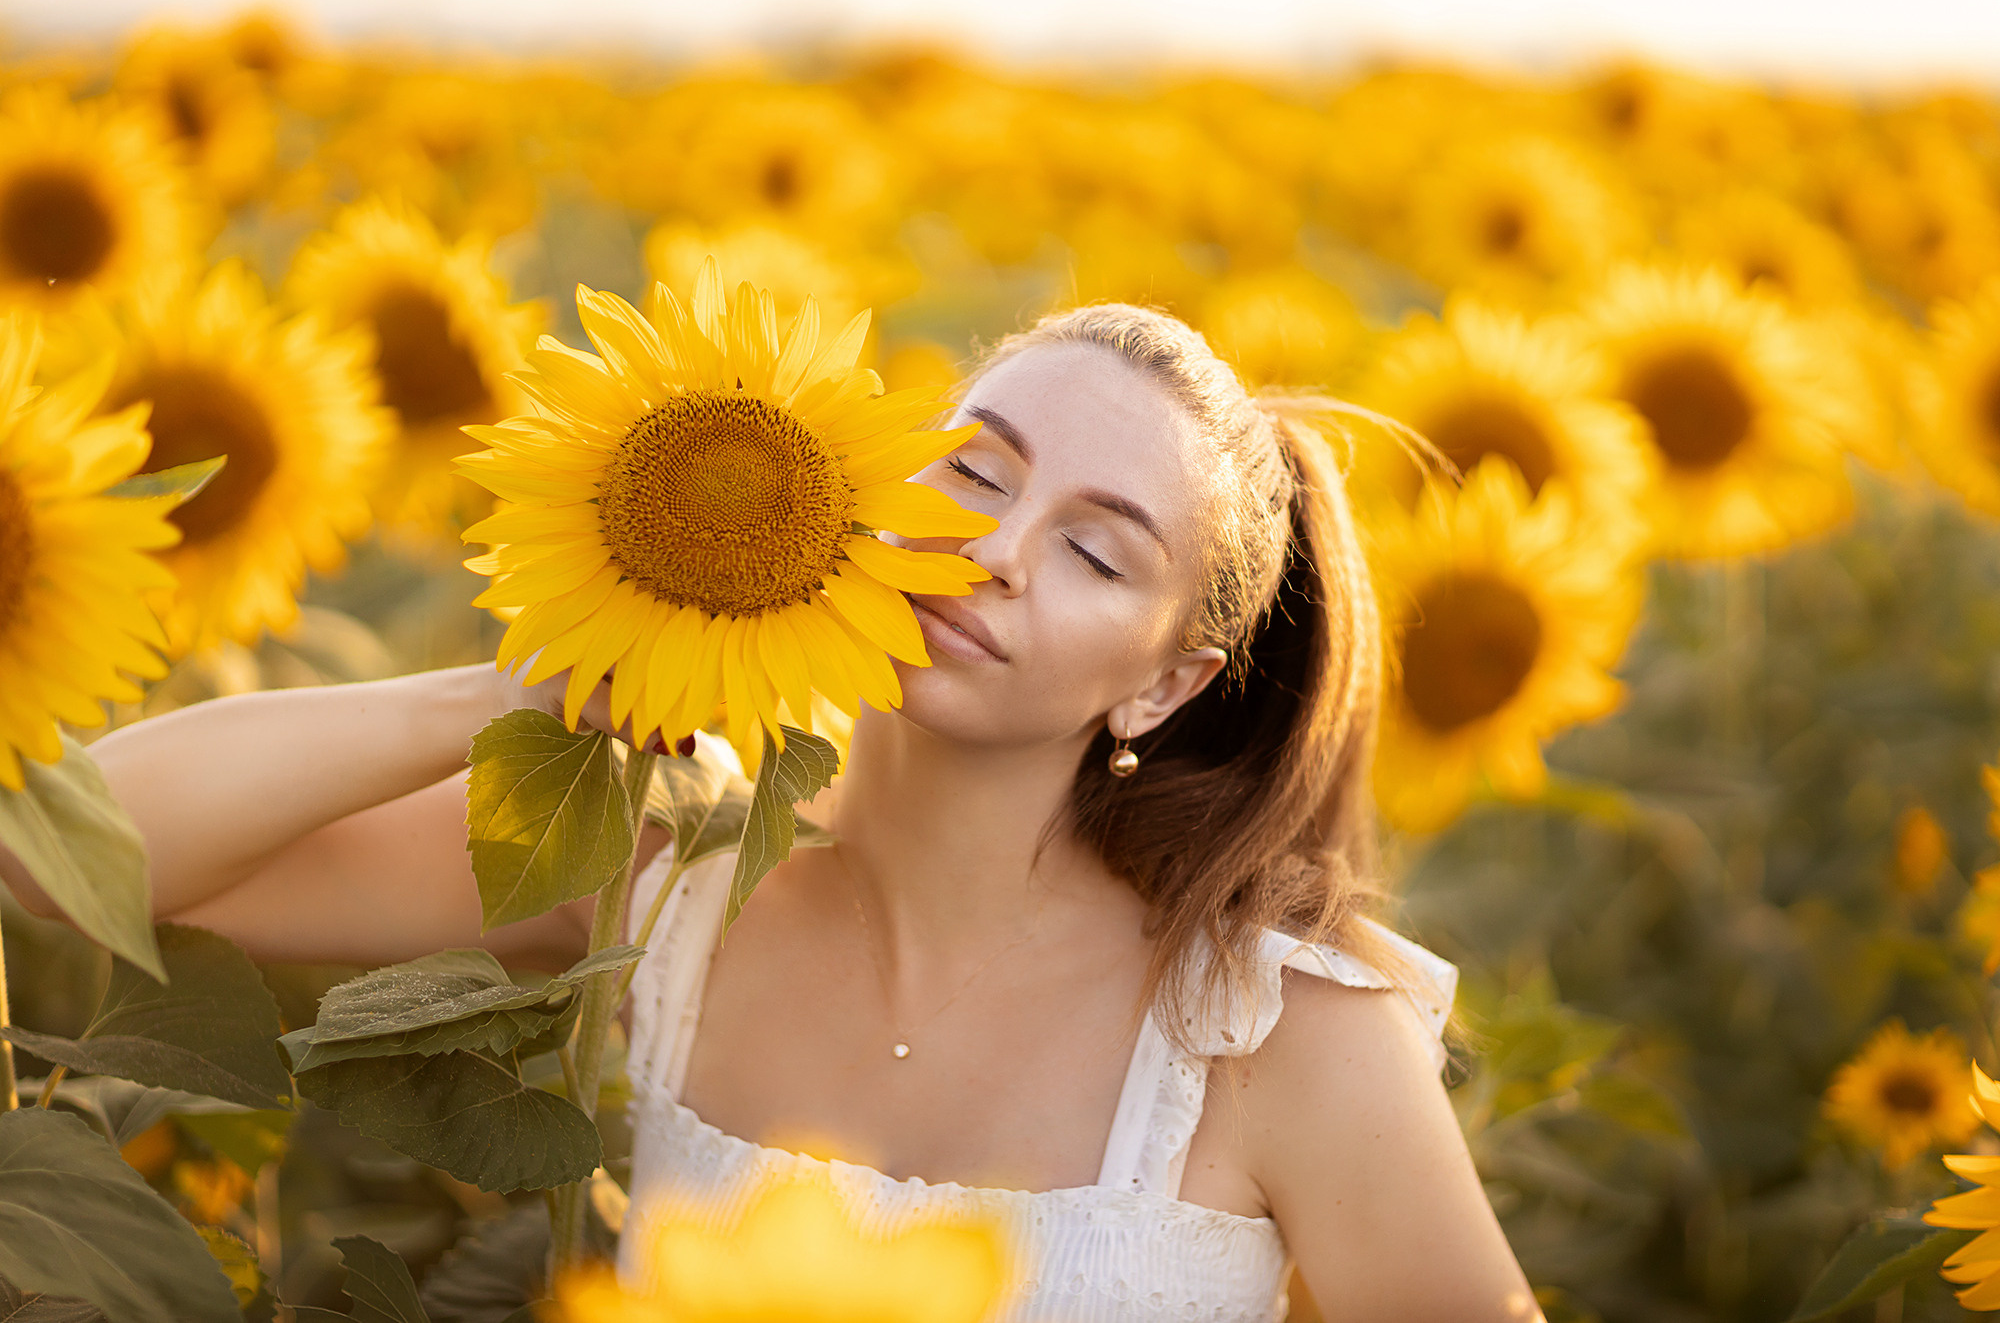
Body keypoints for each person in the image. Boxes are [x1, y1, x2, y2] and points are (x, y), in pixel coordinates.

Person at [3, 302, 1541, 1322]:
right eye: (976, 472)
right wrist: (500, 698)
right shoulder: (655, 874)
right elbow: (70, 861)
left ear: (1164, 684)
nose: (997, 550)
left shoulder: (1270, 1037)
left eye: (1095, 552)